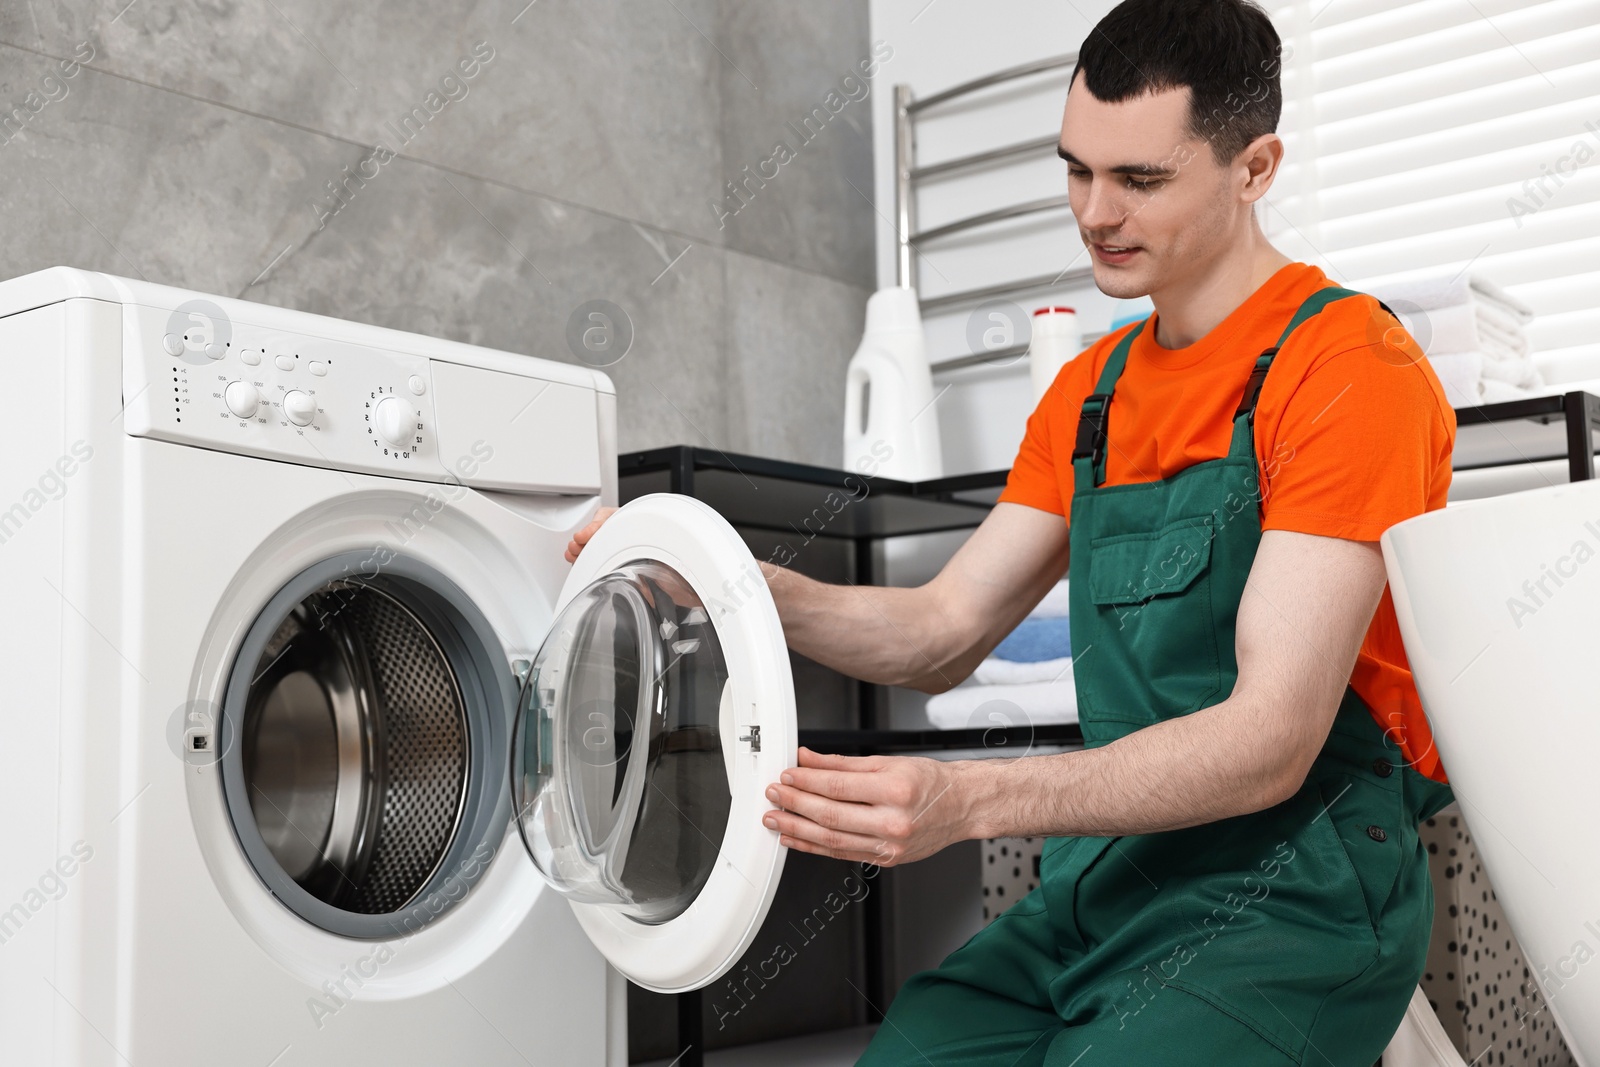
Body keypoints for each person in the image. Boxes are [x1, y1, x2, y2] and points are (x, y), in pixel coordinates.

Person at [569, 0, 1458, 1060]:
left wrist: (969, 796)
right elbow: (941, 631)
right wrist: (730, 583)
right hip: (1111, 880)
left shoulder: (1347, 370)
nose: (1094, 211)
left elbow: (1269, 740)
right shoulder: (1090, 393)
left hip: (1290, 893)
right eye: (1076, 169)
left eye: (1139, 180)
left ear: (1254, 167)